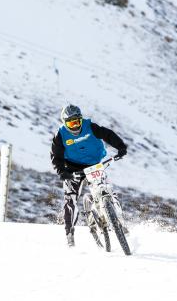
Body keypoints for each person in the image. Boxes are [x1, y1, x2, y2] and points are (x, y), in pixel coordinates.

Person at [50, 104, 127, 247]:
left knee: (106, 189)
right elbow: (56, 156)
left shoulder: (90, 127)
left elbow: (108, 135)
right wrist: (62, 172)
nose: (74, 126)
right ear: (64, 122)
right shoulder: (60, 135)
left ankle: (120, 222)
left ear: (81, 119)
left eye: (77, 122)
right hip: (72, 167)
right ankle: (70, 235)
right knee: (70, 200)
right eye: (70, 123)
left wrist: (121, 147)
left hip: (94, 164)